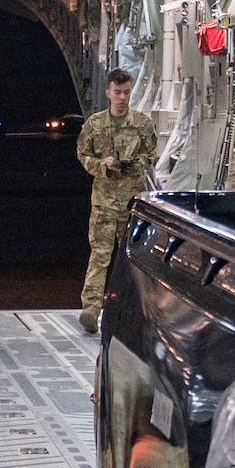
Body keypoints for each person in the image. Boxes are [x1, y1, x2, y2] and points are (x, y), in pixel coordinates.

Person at [75, 66, 157, 335]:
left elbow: (151, 154)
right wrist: (103, 165)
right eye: (117, 92)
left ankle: (130, 307)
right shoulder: (95, 125)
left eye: (126, 92)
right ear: (108, 92)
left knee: (131, 259)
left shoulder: (143, 123)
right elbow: (83, 157)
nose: (122, 97)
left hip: (132, 202)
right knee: (99, 256)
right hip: (104, 203)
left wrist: (134, 164)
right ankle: (91, 309)